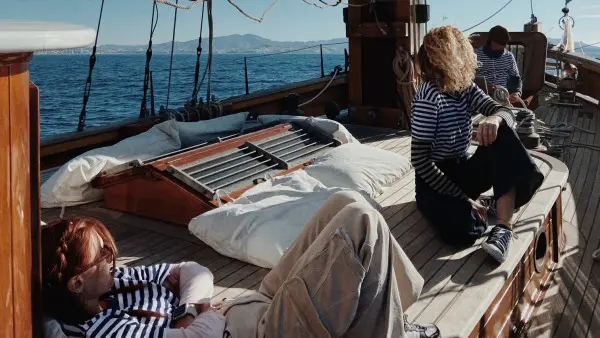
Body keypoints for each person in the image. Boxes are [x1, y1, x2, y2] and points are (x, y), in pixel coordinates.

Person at [42, 191, 441, 338]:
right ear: (76, 284)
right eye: (104, 257)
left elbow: (194, 270)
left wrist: (190, 312)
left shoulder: (115, 284)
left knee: (344, 202)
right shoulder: (103, 329)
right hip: (255, 332)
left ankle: (397, 316)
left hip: (241, 311)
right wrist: (201, 319)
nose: (116, 261)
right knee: (360, 224)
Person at [411, 26, 544, 263]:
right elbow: (420, 160)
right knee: (463, 233)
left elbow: (504, 110)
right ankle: (485, 204)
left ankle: (503, 228)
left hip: (462, 168)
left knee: (502, 133)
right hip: (434, 179)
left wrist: (495, 118)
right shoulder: (428, 96)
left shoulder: (464, 88)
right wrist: (462, 197)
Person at [474, 25, 523, 104]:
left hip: (503, 98)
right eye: (501, 43)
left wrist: (516, 92)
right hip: (481, 98)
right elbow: (469, 79)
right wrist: (485, 87)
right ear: (492, 42)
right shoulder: (476, 55)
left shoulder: (509, 56)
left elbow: (515, 78)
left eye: (505, 44)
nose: (504, 46)